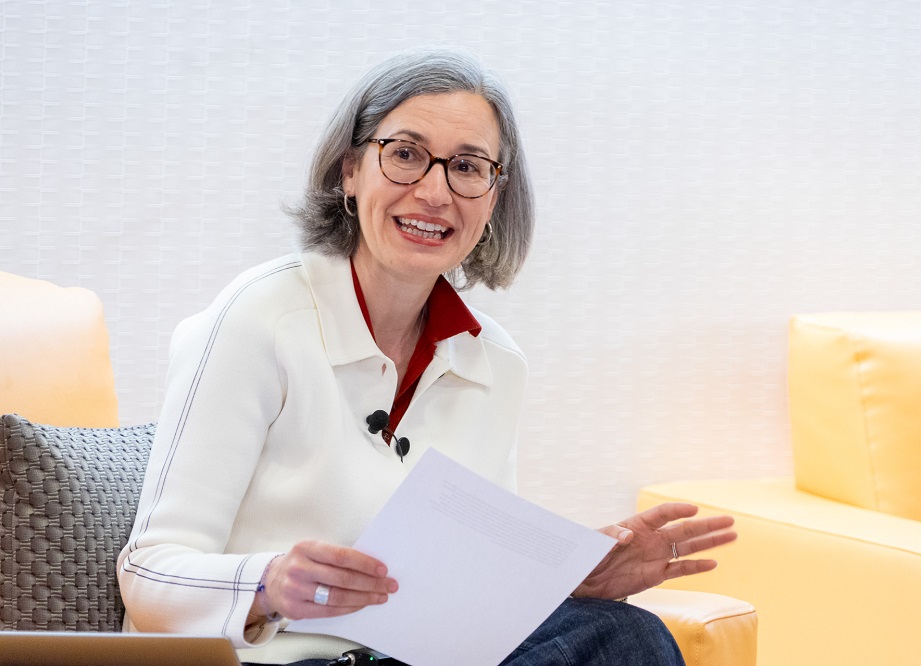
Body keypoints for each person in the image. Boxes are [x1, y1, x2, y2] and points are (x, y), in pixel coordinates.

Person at [117, 47, 737, 666]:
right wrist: (268, 582)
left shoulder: (495, 362)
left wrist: (565, 578)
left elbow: (469, 591)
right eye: (407, 154)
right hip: (271, 658)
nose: (435, 191)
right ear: (349, 171)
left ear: (493, 197)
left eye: (467, 166)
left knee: (623, 635)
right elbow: (148, 574)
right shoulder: (259, 318)